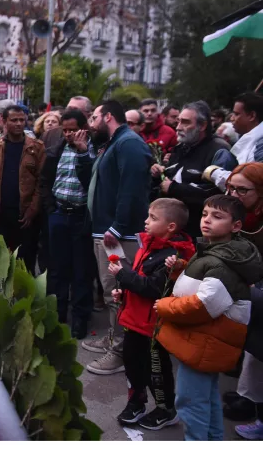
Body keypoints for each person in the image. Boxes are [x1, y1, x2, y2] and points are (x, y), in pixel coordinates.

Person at [156, 195, 263, 441]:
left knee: (191, 403)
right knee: (207, 399)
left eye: (217, 216)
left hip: (205, 341)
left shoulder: (222, 261)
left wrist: (165, 305)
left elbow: (204, 305)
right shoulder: (216, 250)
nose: (207, 221)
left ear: (236, 226)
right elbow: (205, 287)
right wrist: (181, 271)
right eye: (205, 214)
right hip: (206, 340)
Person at [111, 198, 195, 429]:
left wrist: (122, 275)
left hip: (154, 327)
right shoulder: (148, 244)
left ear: (171, 227)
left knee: (156, 370)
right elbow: (139, 278)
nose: (146, 222)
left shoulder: (175, 256)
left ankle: (166, 409)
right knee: (132, 364)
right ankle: (136, 402)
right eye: (148, 216)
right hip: (133, 320)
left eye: (153, 218)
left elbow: (153, 288)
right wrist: (123, 291)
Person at [83, 100, 153, 375]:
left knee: (119, 292)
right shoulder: (116, 142)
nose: (90, 123)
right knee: (112, 288)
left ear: (108, 116)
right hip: (107, 231)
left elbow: (132, 190)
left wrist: (118, 226)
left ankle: (121, 351)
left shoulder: (129, 144)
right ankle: (114, 338)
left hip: (117, 236)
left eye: (94, 117)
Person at [42, 109, 95, 338]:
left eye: (73, 130)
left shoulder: (94, 150)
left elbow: (90, 182)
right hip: (58, 214)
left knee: (81, 269)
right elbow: (45, 180)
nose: (69, 135)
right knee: (57, 267)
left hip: (81, 217)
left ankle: (80, 319)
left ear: (85, 128)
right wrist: (50, 207)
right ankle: (58, 314)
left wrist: (83, 154)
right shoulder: (57, 149)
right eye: (65, 130)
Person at [221, 163, 263, 433]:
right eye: (230, 188)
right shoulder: (242, 214)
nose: (233, 195)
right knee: (254, 353)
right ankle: (250, 399)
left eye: (242, 190)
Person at [0, 103, 46, 271]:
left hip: (24, 216)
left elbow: (41, 182)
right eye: (14, 120)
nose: (19, 124)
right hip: (0, 214)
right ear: (4, 121)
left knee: (25, 263)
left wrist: (33, 209)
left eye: (22, 120)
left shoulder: (36, 147)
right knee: (0, 262)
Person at [152, 102, 229, 239]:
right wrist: (159, 173)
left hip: (198, 234)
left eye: (186, 122)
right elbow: (173, 177)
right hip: (173, 232)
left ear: (203, 125)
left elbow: (220, 195)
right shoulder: (181, 147)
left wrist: (175, 188)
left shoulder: (219, 151)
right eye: (178, 121)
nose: (179, 127)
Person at [204, 93, 263, 192]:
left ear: (252, 116)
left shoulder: (261, 145)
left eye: (236, 114)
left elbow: (254, 182)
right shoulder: (250, 138)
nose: (232, 118)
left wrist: (214, 173)